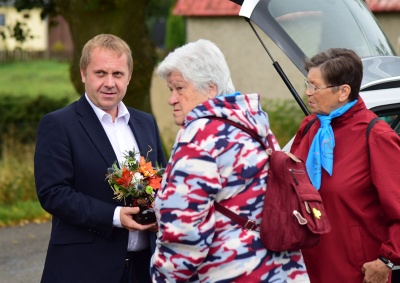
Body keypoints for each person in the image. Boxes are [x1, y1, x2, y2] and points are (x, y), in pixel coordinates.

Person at [150, 39, 310, 283]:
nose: (172, 99)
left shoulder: (200, 134)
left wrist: (163, 277)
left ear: (211, 89)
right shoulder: (254, 124)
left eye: (179, 88)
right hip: (282, 271)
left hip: (231, 272)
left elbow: (184, 229)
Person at [34, 34, 167, 283]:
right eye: (100, 73)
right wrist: (115, 216)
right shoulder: (59, 124)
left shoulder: (146, 122)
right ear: (83, 73)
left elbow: (164, 181)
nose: (109, 83)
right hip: (83, 268)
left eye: (117, 74)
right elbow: (53, 193)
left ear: (129, 76)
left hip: (144, 269)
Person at [290, 48, 400, 283]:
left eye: (314, 86)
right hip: (306, 268)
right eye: (307, 83)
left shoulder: (376, 136)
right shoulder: (311, 127)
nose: (308, 92)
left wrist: (387, 261)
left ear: (343, 92)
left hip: (355, 271)